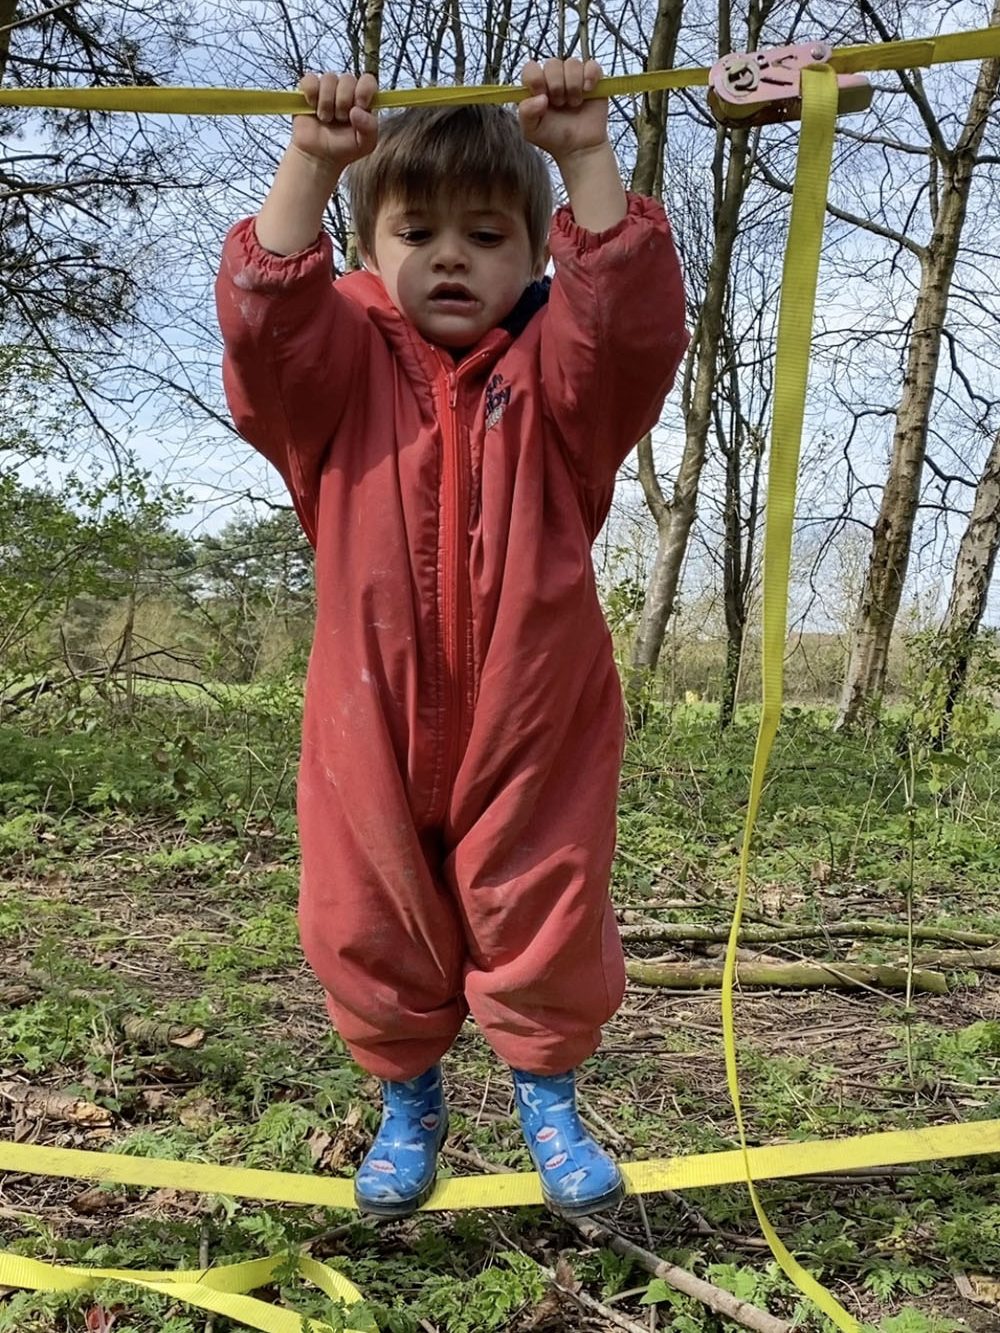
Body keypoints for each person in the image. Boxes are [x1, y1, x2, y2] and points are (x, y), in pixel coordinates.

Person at [216, 56, 688, 1219]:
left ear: (533, 258)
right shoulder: (337, 383)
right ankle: (408, 1100)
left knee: (543, 895)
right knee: (361, 909)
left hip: (535, 713)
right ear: (371, 253)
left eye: (485, 234)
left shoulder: (561, 382)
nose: (449, 254)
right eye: (415, 230)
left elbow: (626, 325)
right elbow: (267, 330)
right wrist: (312, 163)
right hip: (365, 709)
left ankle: (546, 1090)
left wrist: (582, 155)